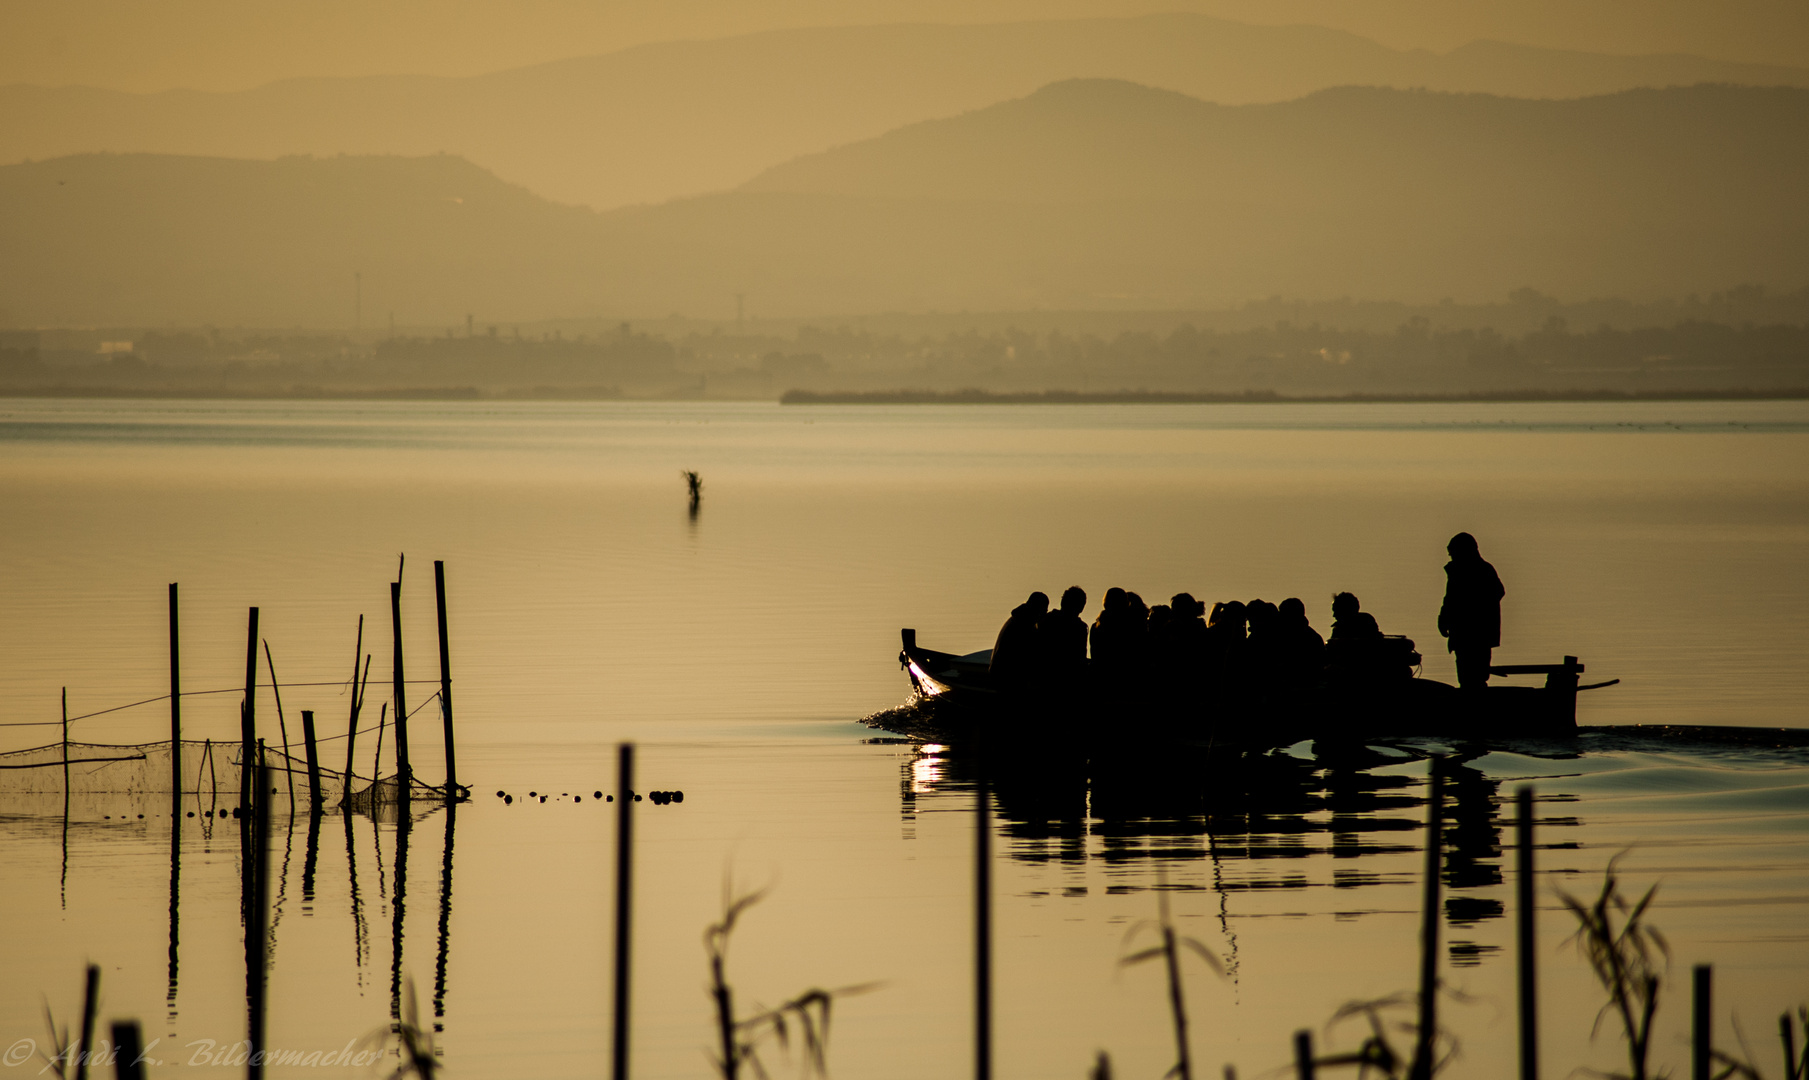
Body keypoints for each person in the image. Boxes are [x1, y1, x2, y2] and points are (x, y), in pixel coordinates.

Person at [1438, 532, 1505, 691]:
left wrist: (1470, 611)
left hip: (1477, 634)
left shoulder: (1481, 570)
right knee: (1466, 675)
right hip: (1464, 633)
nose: (1451, 556)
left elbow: (1497, 592)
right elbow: (1450, 600)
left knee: (1475, 675)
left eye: (1453, 552)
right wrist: (1443, 619)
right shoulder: (1458, 571)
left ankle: (1473, 704)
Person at [990, 591, 1048, 688]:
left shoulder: (1017, 618)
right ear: (1039, 610)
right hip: (1007, 678)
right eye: (1044, 611)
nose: (1044, 615)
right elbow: (1033, 655)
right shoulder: (1025, 625)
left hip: (998, 673)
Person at [1039, 586, 1089, 675]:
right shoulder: (1080, 628)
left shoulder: (1045, 620)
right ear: (1081, 608)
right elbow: (1080, 659)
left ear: (1062, 601)